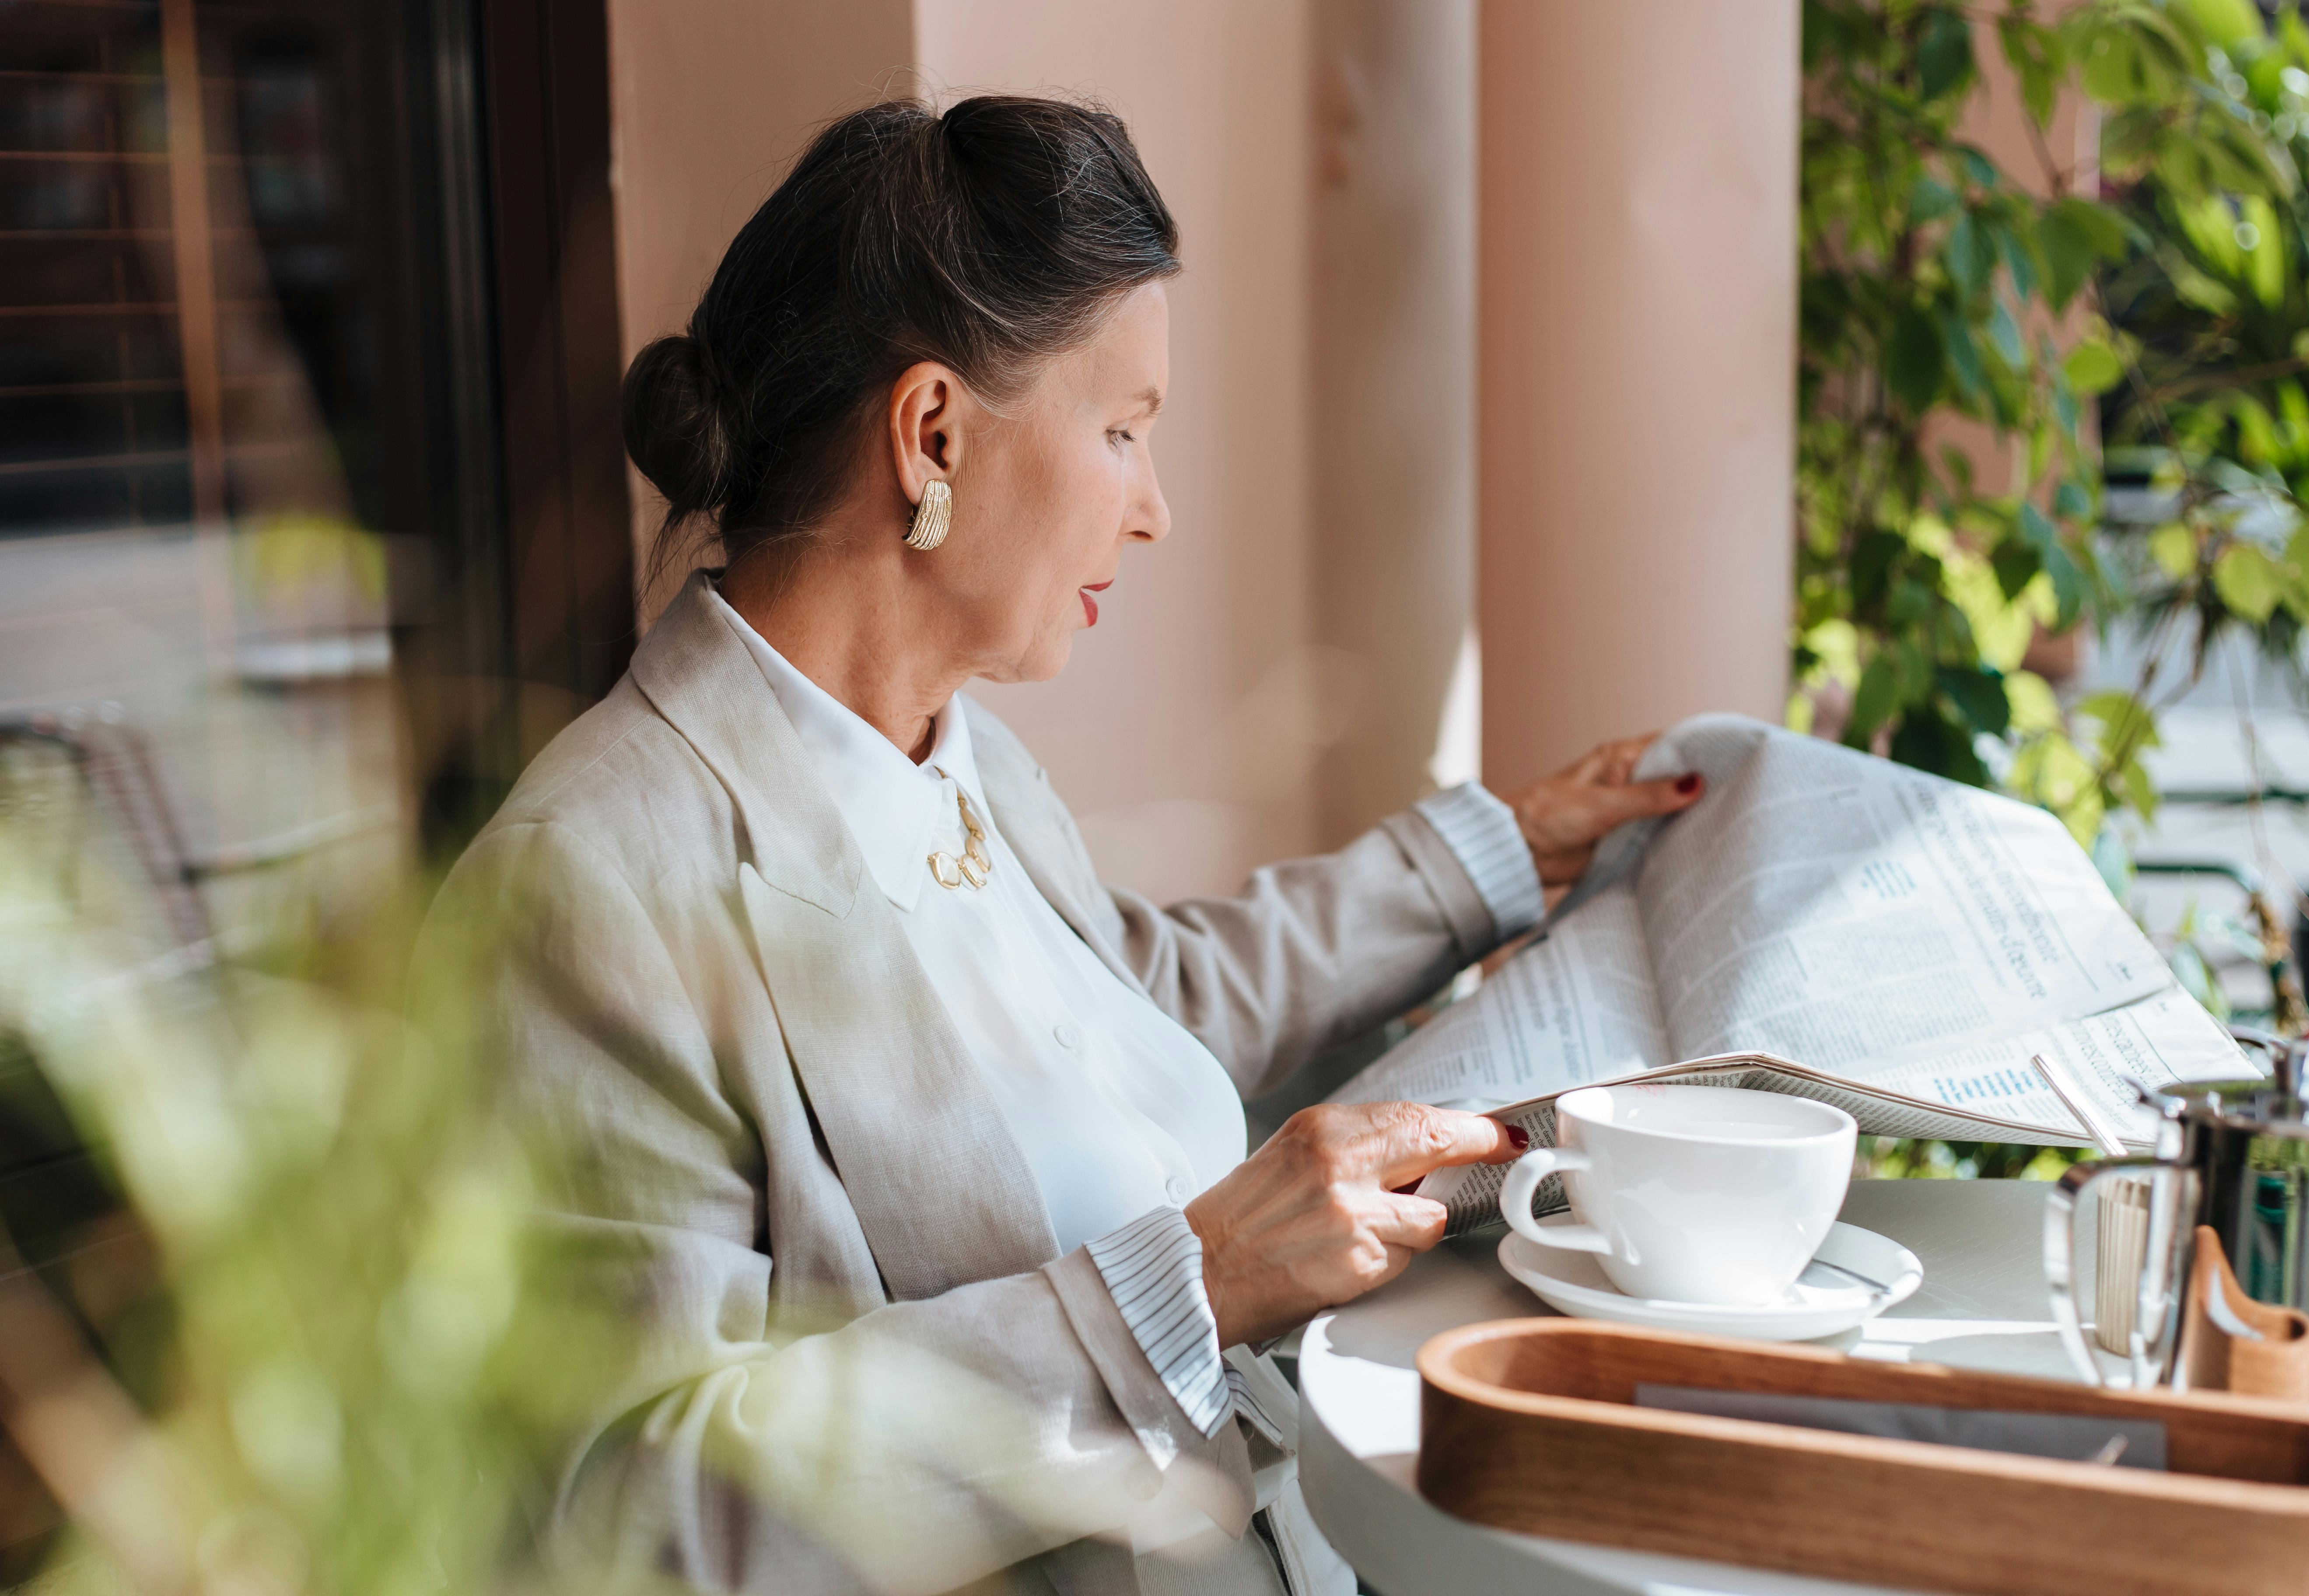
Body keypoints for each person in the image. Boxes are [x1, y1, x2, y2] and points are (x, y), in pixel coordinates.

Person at [432, 94, 1704, 1596]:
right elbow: (632, 1511)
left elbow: (1134, 1006)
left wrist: (1493, 856)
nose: (1152, 510)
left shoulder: (964, 760)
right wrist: (1200, 1282)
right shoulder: (586, 890)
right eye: (1121, 431)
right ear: (932, 436)